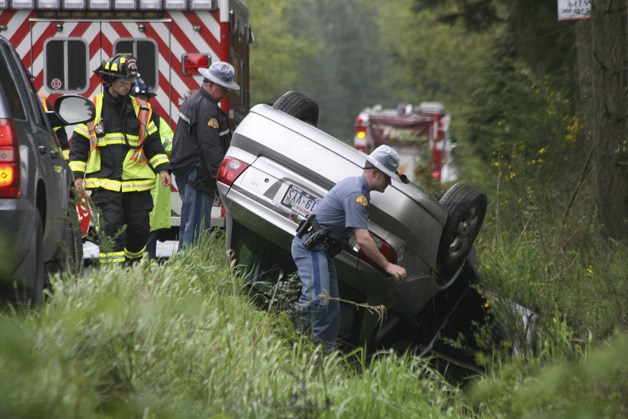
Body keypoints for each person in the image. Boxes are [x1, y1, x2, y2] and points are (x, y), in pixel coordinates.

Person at [291, 145, 408, 349]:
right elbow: (362, 238)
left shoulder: (355, 186)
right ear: (375, 173)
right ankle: (284, 331)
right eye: (388, 177)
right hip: (312, 248)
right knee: (318, 299)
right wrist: (388, 266)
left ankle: (322, 357)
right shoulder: (357, 195)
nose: (389, 183)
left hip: (322, 251)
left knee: (330, 310)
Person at [69, 53, 171, 264]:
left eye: (130, 81)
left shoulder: (142, 110)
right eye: (123, 81)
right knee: (112, 227)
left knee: (140, 229)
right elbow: (79, 145)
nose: (128, 86)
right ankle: (113, 275)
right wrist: (77, 176)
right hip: (106, 183)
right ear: (109, 80)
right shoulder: (93, 108)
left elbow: (153, 144)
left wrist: (163, 169)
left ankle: (131, 265)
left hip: (137, 184)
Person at [170, 61, 240, 250]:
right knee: (197, 229)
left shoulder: (196, 101)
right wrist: (220, 179)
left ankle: (186, 264)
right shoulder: (207, 109)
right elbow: (211, 148)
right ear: (210, 85)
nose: (226, 94)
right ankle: (190, 267)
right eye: (224, 89)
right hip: (198, 176)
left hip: (190, 174)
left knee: (190, 224)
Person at [131, 79, 174, 260]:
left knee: (150, 228)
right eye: (138, 97)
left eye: (144, 98)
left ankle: (148, 268)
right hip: (130, 181)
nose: (141, 101)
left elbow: (170, 142)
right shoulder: (123, 118)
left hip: (153, 182)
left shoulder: (155, 120)